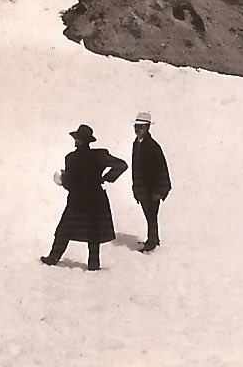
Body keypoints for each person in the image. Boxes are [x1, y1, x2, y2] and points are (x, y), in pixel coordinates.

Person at [41, 124, 127, 272]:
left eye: (76, 138)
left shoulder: (71, 158)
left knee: (64, 229)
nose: (75, 140)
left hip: (77, 199)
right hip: (96, 198)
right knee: (94, 232)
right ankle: (94, 264)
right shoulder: (100, 155)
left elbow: (70, 182)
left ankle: (53, 257)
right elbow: (121, 165)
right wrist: (106, 178)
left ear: (79, 140)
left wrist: (63, 182)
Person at [130, 111, 172, 252]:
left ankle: (152, 241)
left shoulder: (153, 146)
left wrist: (158, 191)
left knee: (151, 215)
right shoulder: (136, 144)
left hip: (152, 189)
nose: (137, 129)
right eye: (136, 126)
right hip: (142, 189)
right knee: (149, 215)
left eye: (140, 127)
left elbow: (161, 170)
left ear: (147, 128)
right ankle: (154, 238)